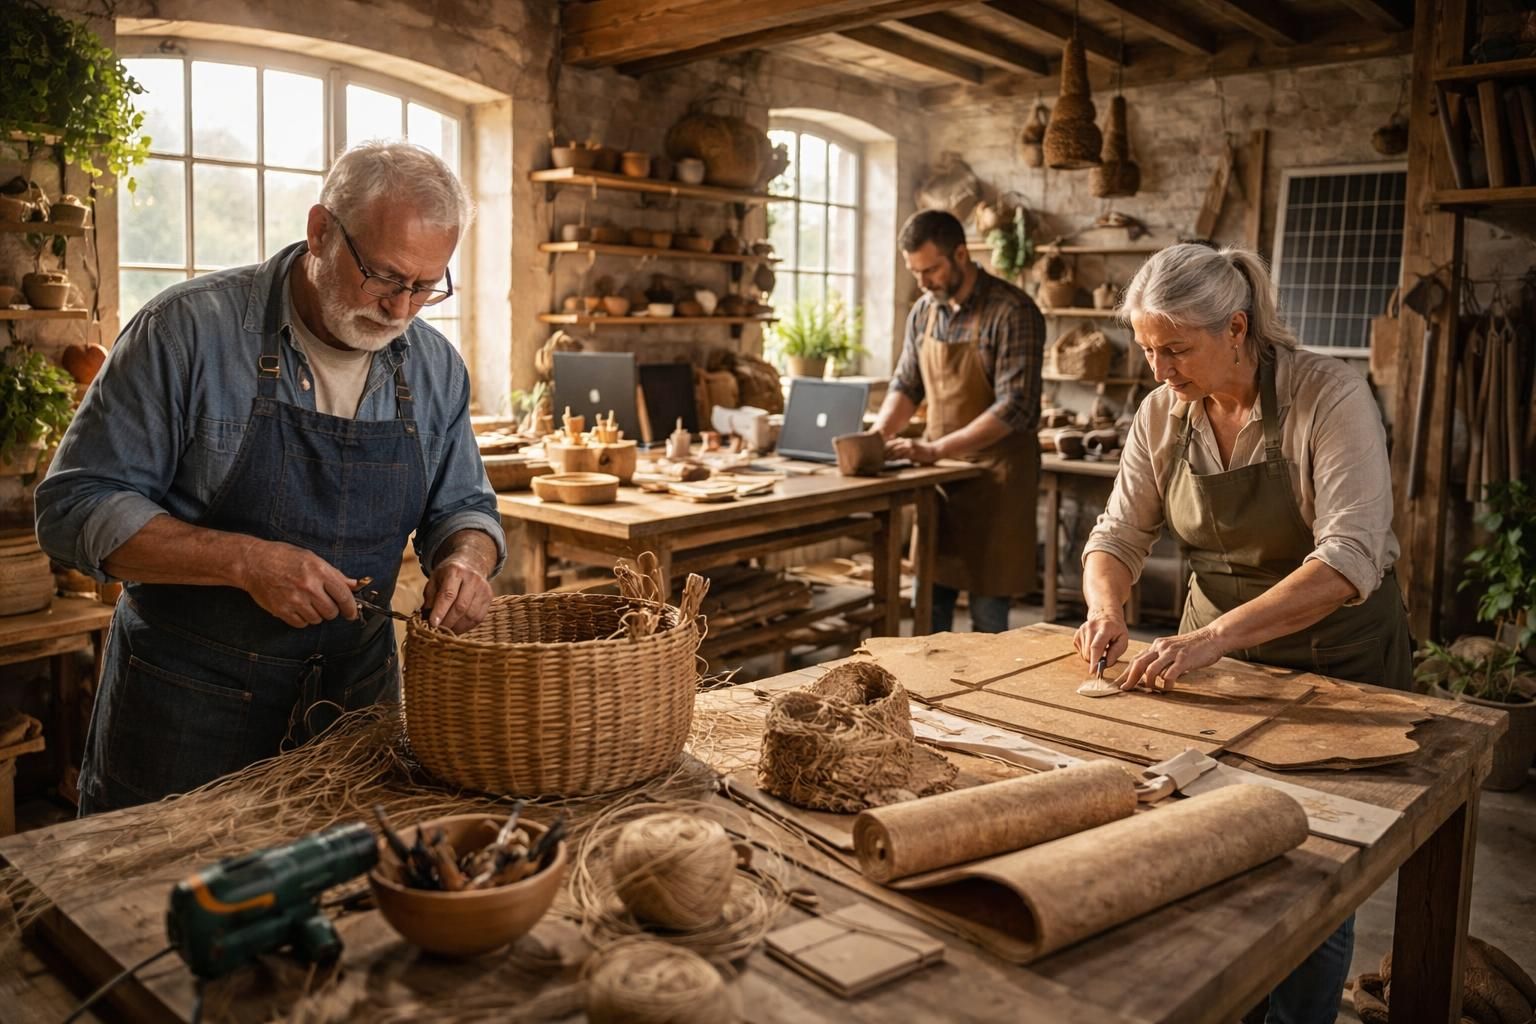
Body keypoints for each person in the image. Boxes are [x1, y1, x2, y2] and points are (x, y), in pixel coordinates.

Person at [35, 141, 506, 815]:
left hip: (352, 708)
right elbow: (73, 510)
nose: (402, 310)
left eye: (427, 286)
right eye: (385, 277)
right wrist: (244, 561)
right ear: (320, 232)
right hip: (187, 705)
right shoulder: (186, 332)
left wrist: (467, 560)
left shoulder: (434, 369)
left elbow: (464, 506)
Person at [1074, 242, 1412, 1024]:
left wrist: (1212, 638)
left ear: (1236, 327)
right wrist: (1105, 606)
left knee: (1313, 868)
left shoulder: (1329, 395)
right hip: (1213, 666)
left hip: (1339, 665)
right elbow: (1117, 535)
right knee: (1208, 847)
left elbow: (1346, 560)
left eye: (1176, 350)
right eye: (1149, 350)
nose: (1160, 371)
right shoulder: (1165, 412)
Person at [871, 209, 1045, 634]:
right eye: (915, 272)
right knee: (928, 604)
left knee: (987, 617)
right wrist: (877, 437)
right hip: (940, 477)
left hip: (996, 477)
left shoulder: (1012, 311)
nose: (923, 282)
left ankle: (985, 701)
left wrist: (935, 450)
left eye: (930, 269)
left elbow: (1015, 407)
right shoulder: (923, 312)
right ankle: (922, 698)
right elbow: (906, 385)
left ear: (962, 254)